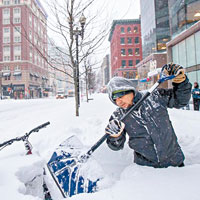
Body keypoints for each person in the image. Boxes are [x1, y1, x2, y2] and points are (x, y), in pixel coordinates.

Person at [105, 63, 192, 168]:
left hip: (175, 164)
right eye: (114, 99)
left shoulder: (155, 96)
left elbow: (181, 101)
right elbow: (116, 146)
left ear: (130, 90)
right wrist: (115, 137)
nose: (118, 101)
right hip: (146, 169)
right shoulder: (118, 116)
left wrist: (181, 82)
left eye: (120, 95)